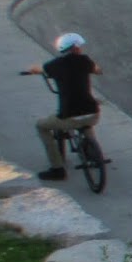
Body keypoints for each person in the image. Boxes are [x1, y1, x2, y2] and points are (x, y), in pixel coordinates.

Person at [25, 32, 100, 181]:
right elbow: (97, 69)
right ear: (75, 48)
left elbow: (40, 69)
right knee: (85, 119)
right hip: (93, 113)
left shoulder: (54, 65)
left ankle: (57, 169)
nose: (80, 49)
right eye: (79, 46)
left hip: (69, 116)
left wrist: (32, 70)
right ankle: (94, 154)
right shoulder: (85, 61)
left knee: (42, 126)